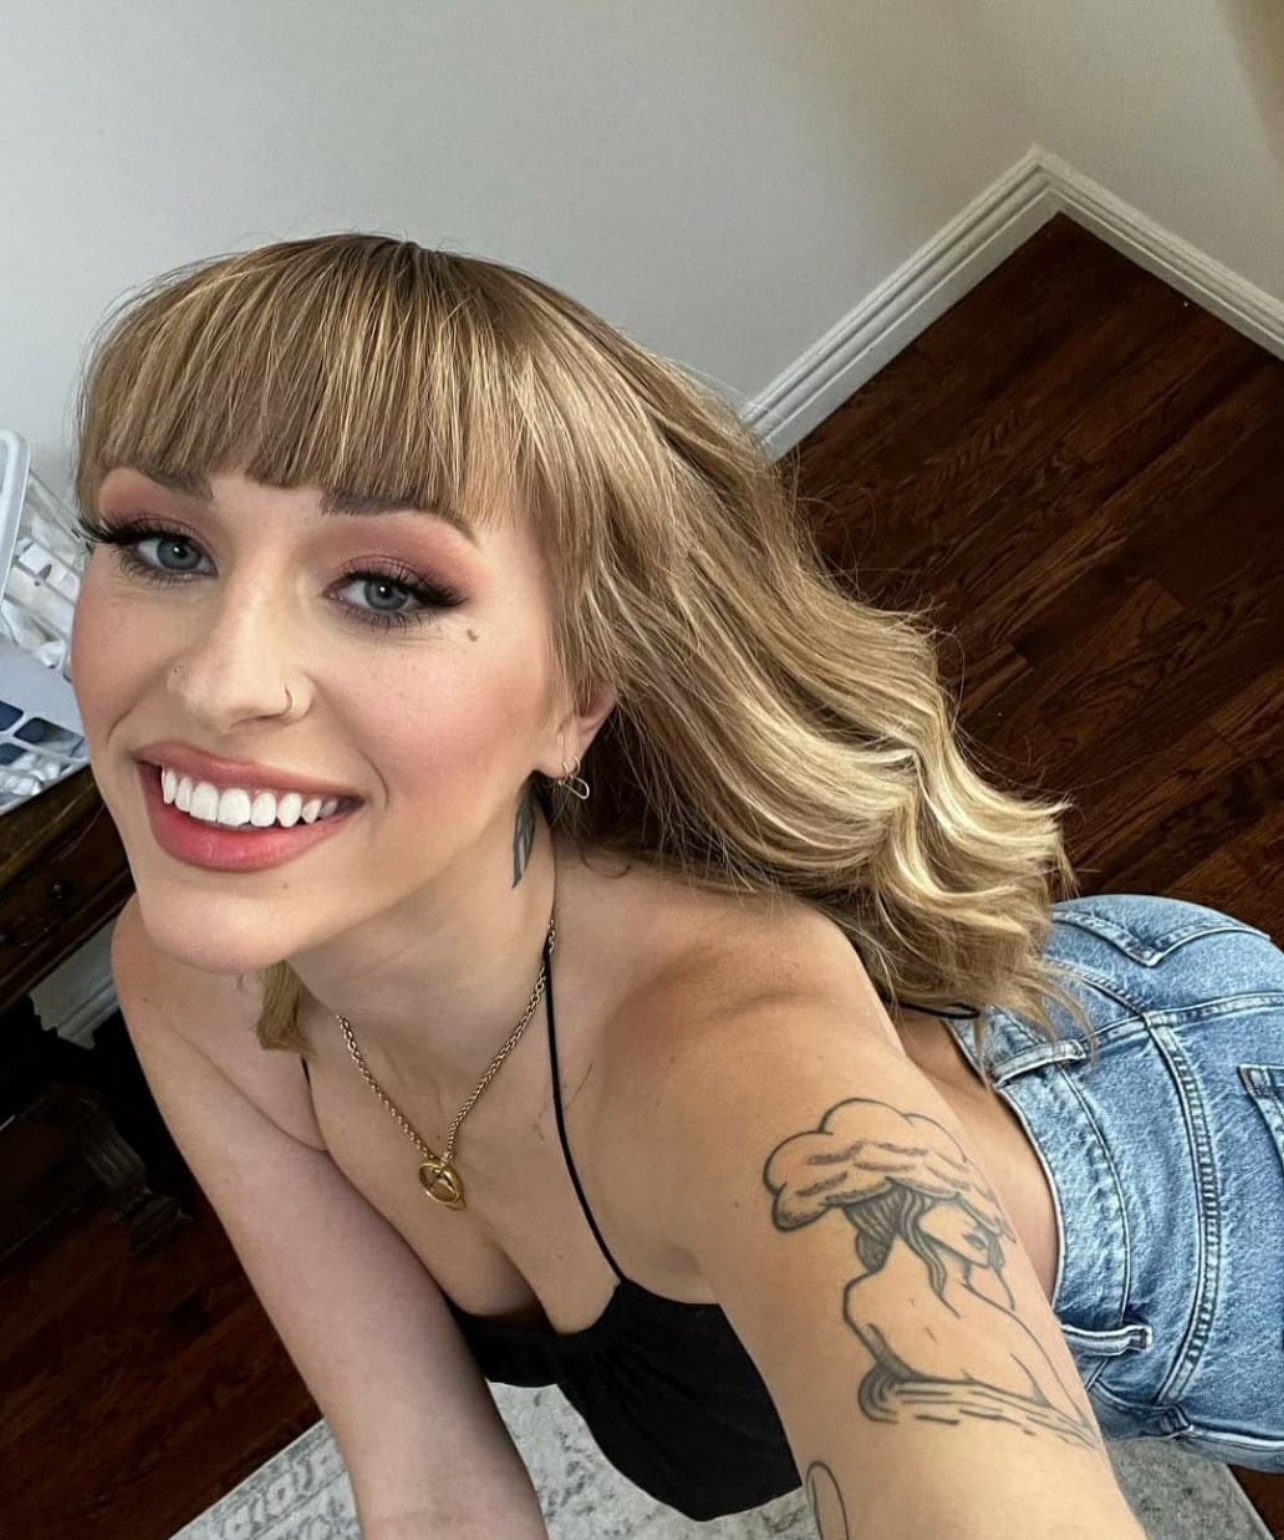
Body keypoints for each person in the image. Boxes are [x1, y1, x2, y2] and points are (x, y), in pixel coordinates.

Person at [66, 234, 1283, 1539]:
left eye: (386, 587)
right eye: (164, 546)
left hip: (1209, 1153)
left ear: (577, 699)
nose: (220, 680)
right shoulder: (183, 981)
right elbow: (427, 1479)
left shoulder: (740, 1070)